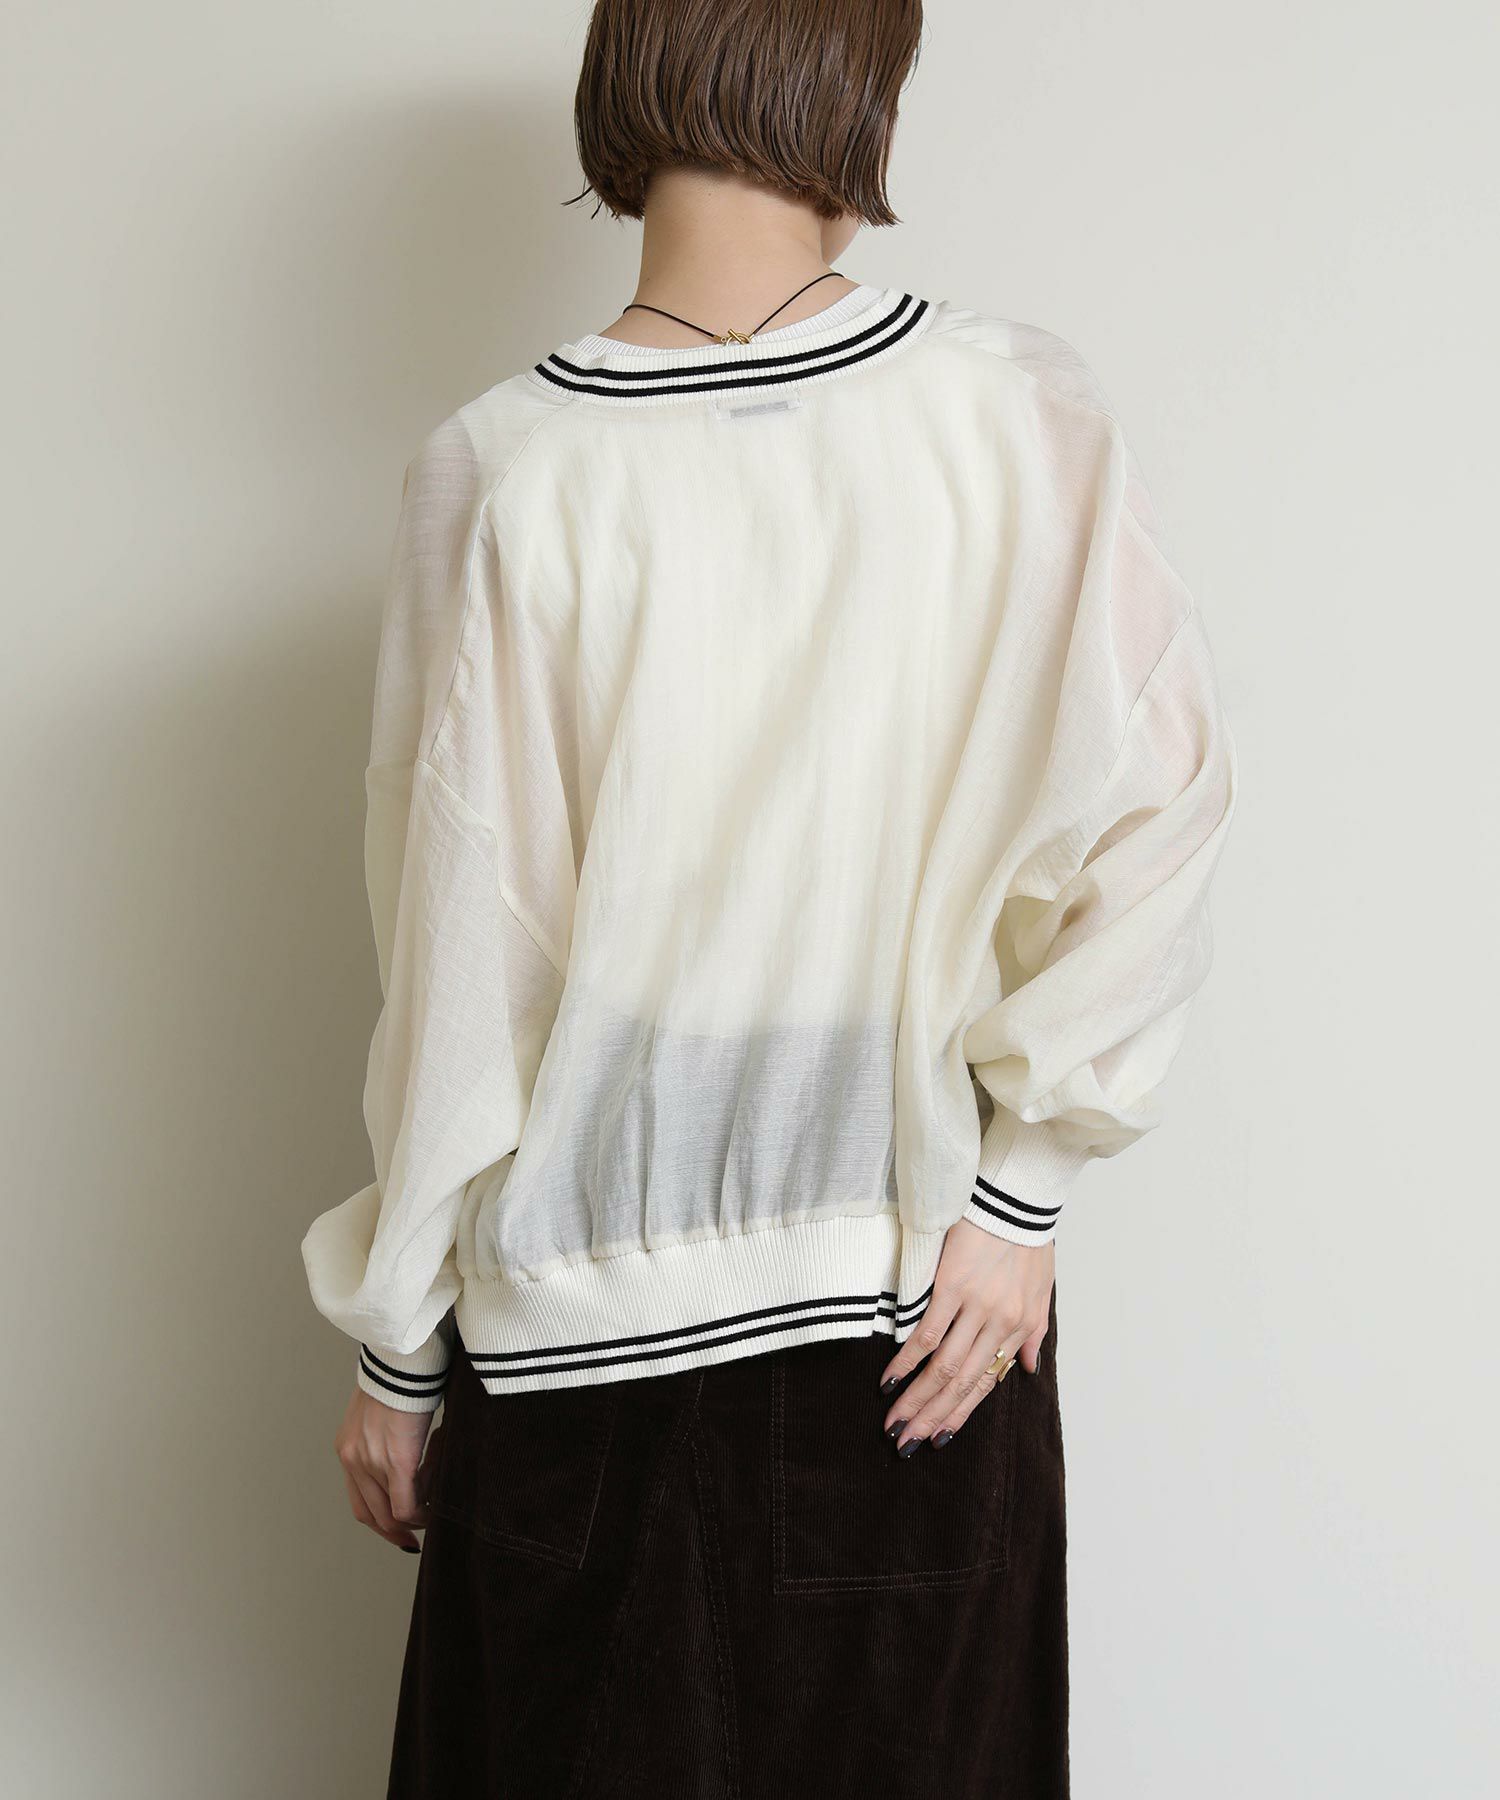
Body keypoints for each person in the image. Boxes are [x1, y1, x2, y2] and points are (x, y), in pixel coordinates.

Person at [300, 1, 1238, 1792]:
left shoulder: (504, 468)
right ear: (858, 84)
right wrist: (1018, 1198)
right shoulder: (1008, 415)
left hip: (578, 1373)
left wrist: (400, 1349)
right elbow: (1163, 800)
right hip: (911, 1339)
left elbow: (459, 954)